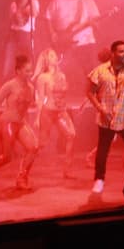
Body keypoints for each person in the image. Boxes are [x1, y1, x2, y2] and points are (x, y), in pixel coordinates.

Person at [86, 39, 124, 194]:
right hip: (106, 117)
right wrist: (100, 109)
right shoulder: (100, 71)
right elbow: (89, 92)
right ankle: (99, 180)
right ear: (113, 53)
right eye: (121, 51)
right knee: (103, 150)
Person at [0, 53, 40, 190]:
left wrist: (36, 106)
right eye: (27, 71)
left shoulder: (31, 88)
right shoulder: (9, 85)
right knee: (7, 157)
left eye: (30, 71)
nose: (29, 73)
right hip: (7, 122)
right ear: (18, 71)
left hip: (20, 123)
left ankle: (22, 178)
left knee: (33, 147)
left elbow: (29, 105)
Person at [32, 47, 79, 177]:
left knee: (71, 135)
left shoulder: (62, 75)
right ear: (46, 60)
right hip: (48, 112)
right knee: (41, 143)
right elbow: (40, 99)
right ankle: (24, 169)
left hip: (61, 112)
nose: (55, 57)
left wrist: (67, 108)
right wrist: (37, 118)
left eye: (55, 55)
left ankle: (67, 170)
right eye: (52, 56)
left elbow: (64, 95)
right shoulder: (42, 78)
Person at [46, 0, 102, 71]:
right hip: (64, 42)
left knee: (89, 71)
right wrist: (52, 33)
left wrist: (94, 25)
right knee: (61, 70)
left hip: (85, 42)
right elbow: (48, 16)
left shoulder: (87, 0)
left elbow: (97, 21)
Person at [4, 0, 41, 78]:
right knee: (10, 60)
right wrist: (15, 13)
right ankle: (8, 81)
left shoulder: (34, 1)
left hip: (27, 34)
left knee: (27, 59)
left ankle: (29, 81)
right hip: (14, 34)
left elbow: (35, 13)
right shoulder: (14, 3)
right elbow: (11, 20)